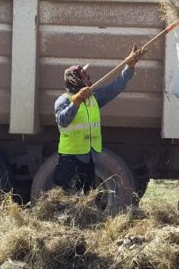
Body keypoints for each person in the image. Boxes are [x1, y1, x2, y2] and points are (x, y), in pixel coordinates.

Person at [53, 44, 146, 193]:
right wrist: (76, 102)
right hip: (70, 157)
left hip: (89, 155)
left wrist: (129, 66)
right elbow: (62, 121)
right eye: (85, 75)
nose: (89, 78)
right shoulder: (64, 100)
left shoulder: (93, 97)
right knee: (64, 193)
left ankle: (84, 215)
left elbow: (116, 86)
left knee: (87, 192)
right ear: (75, 80)